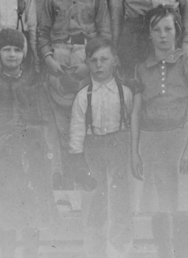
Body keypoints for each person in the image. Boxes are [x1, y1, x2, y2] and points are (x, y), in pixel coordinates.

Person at [130, 5, 188, 258]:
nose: (163, 35)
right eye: (157, 30)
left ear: (177, 31)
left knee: (182, 206)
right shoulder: (142, 68)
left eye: (168, 29)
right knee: (158, 207)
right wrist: (135, 152)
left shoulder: (187, 63)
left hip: (180, 139)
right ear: (149, 34)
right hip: (151, 143)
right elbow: (136, 113)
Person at [0, 29, 62, 258]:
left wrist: (55, 165)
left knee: (32, 215)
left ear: (24, 53)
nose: (12, 55)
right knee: (7, 217)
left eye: (17, 49)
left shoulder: (34, 82)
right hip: (5, 159)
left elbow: (48, 123)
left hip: (34, 158)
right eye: (6, 49)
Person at [38, 0, 111, 187]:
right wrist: (48, 59)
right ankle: (63, 177)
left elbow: (105, 36)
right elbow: (42, 33)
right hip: (58, 59)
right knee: (60, 124)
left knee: (82, 120)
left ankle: (86, 177)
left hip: (84, 59)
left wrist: (89, 64)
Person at [69, 37, 134, 258]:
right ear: (87, 62)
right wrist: (78, 161)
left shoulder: (126, 93)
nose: (98, 65)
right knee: (94, 205)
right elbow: (77, 132)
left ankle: (119, 252)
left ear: (114, 61)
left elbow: (133, 127)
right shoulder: (83, 96)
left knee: (120, 205)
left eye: (104, 59)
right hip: (93, 151)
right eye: (94, 60)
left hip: (119, 151)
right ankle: (94, 252)